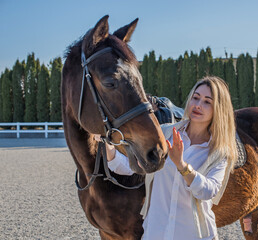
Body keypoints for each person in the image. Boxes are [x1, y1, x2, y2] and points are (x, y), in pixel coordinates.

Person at [96, 76, 237, 240]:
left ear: (219, 109)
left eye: (207, 102)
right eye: (196, 97)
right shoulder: (165, 134)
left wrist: (182, 166)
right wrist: (107, 145)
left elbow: (208, 192)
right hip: (155, 233)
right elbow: (131, 167)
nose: (198, 105)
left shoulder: (219, 152)